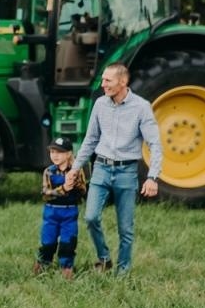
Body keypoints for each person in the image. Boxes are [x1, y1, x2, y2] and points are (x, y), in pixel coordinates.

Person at [68, 62, 161, 275]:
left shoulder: (141, 107)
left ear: (123, 82)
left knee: (125, 228)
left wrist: (152, 177)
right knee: (90, 217)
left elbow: (155, 144)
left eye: (107, 80)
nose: (103, 84)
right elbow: (90, 139)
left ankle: (123, 272)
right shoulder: (100, 104)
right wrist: (75, 168)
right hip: (101, 167)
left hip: (127, 172)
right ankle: (104, 258)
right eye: (102, 80)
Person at [36, 137, 84, 279]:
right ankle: (43, 266)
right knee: (47, 241)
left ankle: (66, 268)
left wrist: (74, 184)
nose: (55, 156)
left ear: (69, 154)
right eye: (52, 152)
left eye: (59, 152)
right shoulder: (48, 172)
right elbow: (45, 194)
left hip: (70, 211)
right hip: (51, 211)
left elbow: (83, 191)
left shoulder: (77, 171)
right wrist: (63, 189)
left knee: (68, 242)